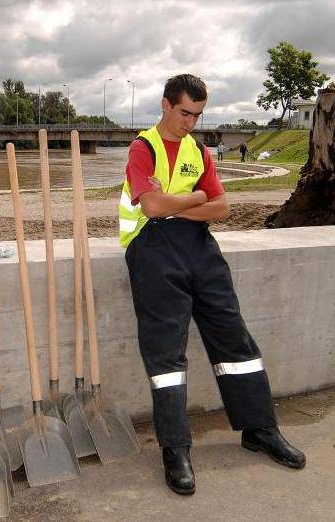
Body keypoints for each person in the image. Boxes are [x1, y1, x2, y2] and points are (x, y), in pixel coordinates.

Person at [118, 74, 305, 496]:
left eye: (198, 115)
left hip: (201, 250)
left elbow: (221, 208)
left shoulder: (198, 150)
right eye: (185, 113)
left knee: (234, 340)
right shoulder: (141, 148)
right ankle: (176, 450)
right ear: (166, 105)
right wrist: (194, 200)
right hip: (152, 252)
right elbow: (150, 205)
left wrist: (178, 205)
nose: (190, 122)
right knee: (166, 353)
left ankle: (259, 429)